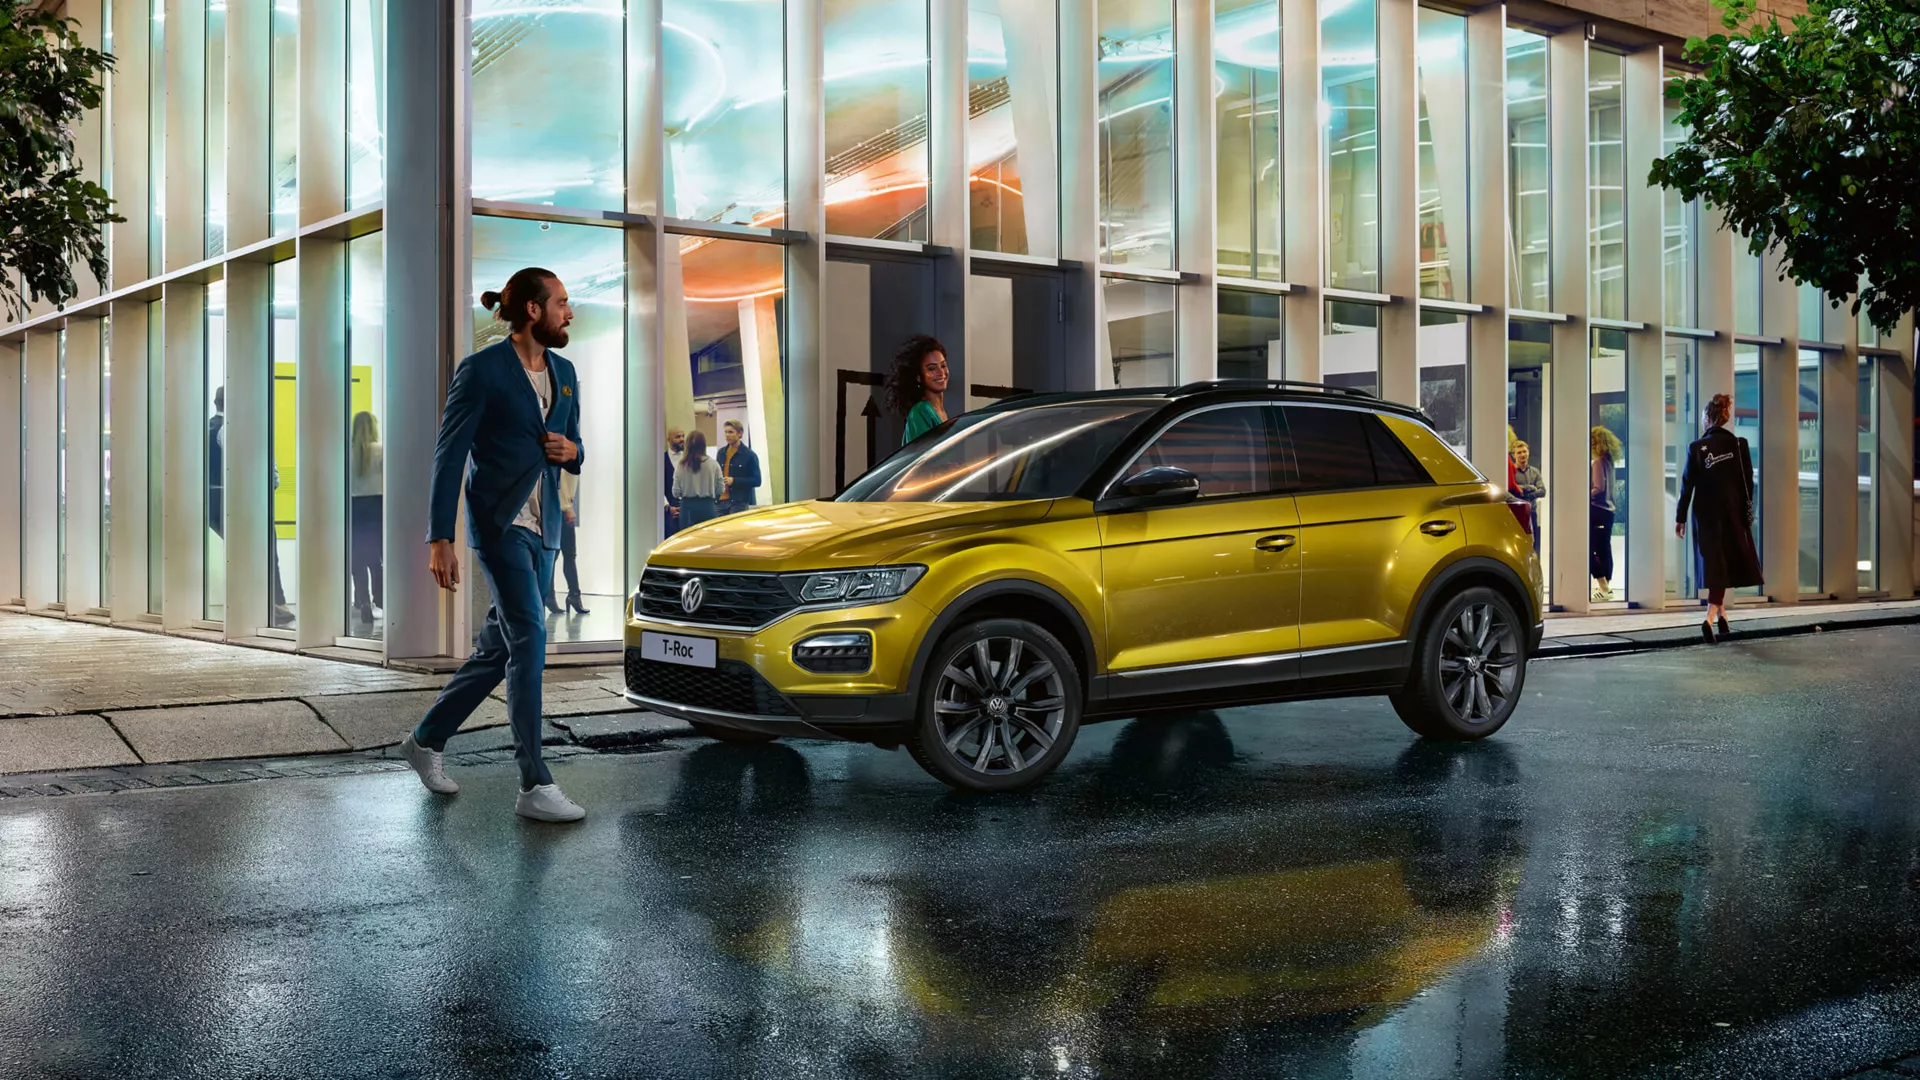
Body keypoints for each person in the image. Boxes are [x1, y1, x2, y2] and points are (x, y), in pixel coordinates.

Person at [401, 267, 587, 823]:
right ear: (533, 310)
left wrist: (570, 450)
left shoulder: (567, 373)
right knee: (530, 634)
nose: (568, 311)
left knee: (498, 648)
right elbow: (449, 455)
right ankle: (534, 781)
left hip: (546, 527)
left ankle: (425, 739)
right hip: (500, 525)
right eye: (561, 302)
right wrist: (440, 537)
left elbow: (578, 449)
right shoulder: (481, 371)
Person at [1675, 393, 1762, 644]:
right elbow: (1748, 483)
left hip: (1705, 516)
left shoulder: (1696, 448)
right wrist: (1747, 512)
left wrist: (1680, 517)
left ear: (1707, 417)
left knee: (1715, 564)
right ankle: (1722, 617)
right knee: (1724, 564)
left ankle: (1710, 617)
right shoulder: (1738, 445)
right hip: (1733, 514)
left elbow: (1686, 486)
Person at [209, 386, 295, 628]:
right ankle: (276, 603)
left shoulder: (207, 427)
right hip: (246, 503)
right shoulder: (234, 430)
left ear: (216, 403)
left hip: (216, 506)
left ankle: (252, 601)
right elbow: (249, 466)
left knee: (240, 553)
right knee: (268, 550)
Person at [349, 410, 384, 626]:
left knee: (357, 559)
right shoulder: (381, 451)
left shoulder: (347, 452)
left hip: (354, 508)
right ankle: (379, 600)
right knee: (376, 559)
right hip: (377, 507)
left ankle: (361, 600)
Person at [886, 334, 950, 444]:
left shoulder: (939, 411)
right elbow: (926, 458)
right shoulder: (920, 411)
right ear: (919, 377)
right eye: (931, 368)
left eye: (943, 366)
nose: (941, 372)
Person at [544, 469, 589, 615]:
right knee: (560, 555)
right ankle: (569, 596)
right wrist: (567, 508)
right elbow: (561, 480)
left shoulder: (573, 452)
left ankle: (569, 595)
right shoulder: (566, 452)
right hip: (560, 509)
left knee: (565, 555)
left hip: (561, 507)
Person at [1590, 425, 1621, 601]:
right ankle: (1606, 587)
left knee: (1591, 549)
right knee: (1605, 549)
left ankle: (1603, 587)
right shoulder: (1609, 462)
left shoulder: (1597, 462)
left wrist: (1583, 496)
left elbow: (1598, 487)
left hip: (1597, 510)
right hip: (1609, 511)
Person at [674, 430, 724, 529]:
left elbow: (676, 492)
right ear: (704, 445)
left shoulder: (681, 465)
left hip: (688, 508)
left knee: (688, 541)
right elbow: (720, 489)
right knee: (708, 540)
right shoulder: (713, 464)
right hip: (708, 507)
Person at [718, 419, 762, 515]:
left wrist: (734, 481)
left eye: (731, 432)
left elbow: (757, 480)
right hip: (721, 501)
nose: (727, 435)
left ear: (740, 434)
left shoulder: (749, 455)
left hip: (739, 502)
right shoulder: (721, 453)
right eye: (726, 432)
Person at [1510, 440, 1546, 550]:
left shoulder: (1535, 472)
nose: (1522, 455)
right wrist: (1530, 488)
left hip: (1532, 512)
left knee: (1533, 544)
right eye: (1519, 452)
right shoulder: (1511, 472)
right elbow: (1512, 490)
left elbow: (1542, 491)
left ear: (1528, 452)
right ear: (1514, 455)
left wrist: (1524, 493)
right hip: (1516, 513)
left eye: (1524, 451)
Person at [662, 427, 685, 538]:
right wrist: (667, 507)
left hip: (687, 510)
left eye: (683, 436)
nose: (682, 439)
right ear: (669, 439)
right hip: (669, 511)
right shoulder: (661, 459)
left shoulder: (689, 458)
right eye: (678, 436)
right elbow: (657, 486)